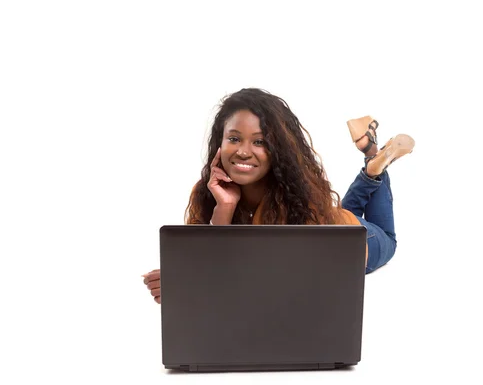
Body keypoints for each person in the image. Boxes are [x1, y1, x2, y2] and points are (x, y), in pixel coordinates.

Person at [142, 88, 415, 304]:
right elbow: (211, 261)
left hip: (359, 239)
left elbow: (272, 280)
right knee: (343, 208)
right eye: (234, 139)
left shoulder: (296, 200)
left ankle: (373, 164)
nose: (243, 151)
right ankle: (371, 159)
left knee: (386, 237)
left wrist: (190, 282)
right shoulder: (208, 192)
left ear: (278, 150)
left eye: (259, 142)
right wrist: (224, 207)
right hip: (332, 216)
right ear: (219, 142)